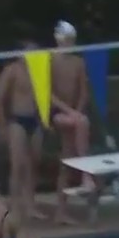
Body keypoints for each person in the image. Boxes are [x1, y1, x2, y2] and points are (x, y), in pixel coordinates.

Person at [0, 42, 48, 222]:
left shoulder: (40, 71)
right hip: (17, 120)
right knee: (18, 165)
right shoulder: (12, 71)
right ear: (20, 53)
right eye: (28, 51)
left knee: (34, 163)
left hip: (36, 120)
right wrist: (1, 125)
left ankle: (30, 205)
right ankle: (15, 207)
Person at [49, 21, 95, 224]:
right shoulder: (49, 61)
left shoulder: (78, 62)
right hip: (57, 113)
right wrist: (71, 112)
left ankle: (61, 211)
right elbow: (47, 94)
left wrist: (77, 110)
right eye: (66, 39)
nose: (68, 43)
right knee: (83, 122)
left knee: (66, 163)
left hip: (74, 115)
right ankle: (86, 174)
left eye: (71, 40)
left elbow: (84, 90)